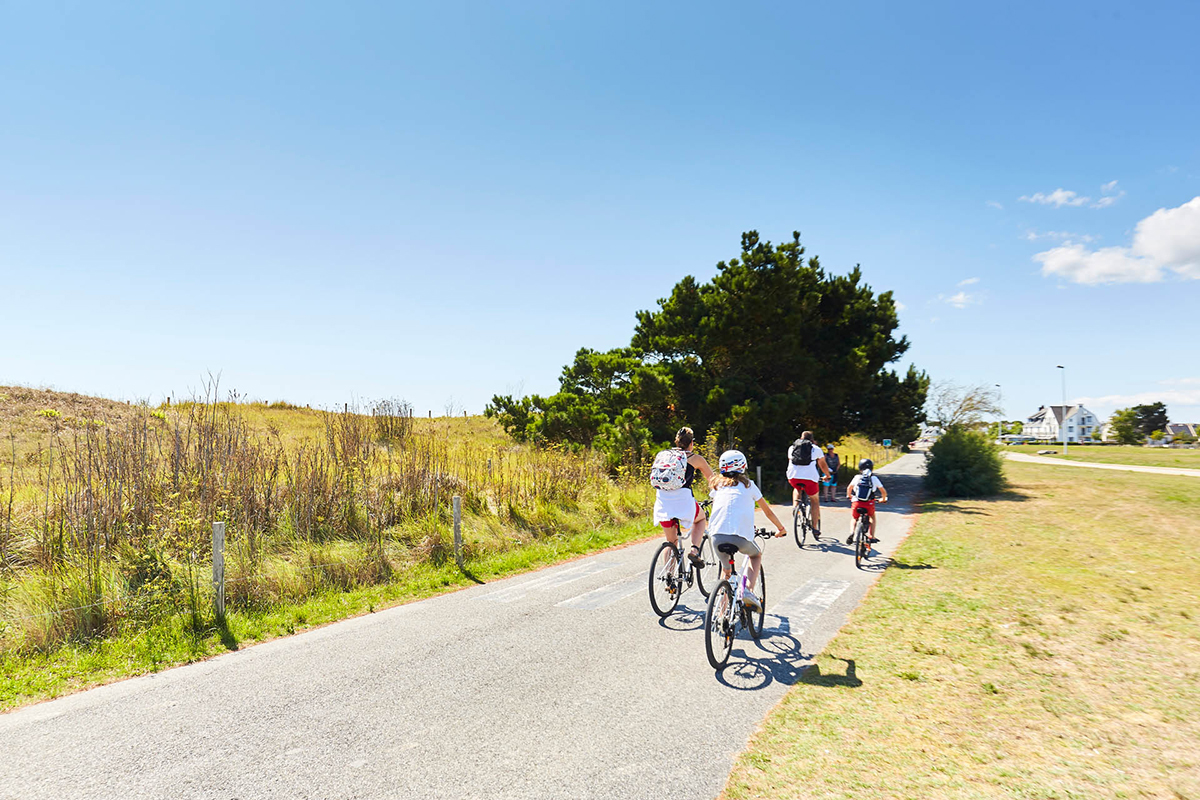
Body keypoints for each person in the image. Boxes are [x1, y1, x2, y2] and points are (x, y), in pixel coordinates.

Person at [706, 449, 787, 612]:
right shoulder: (749, 485)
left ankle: (721, 614)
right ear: (743, 466)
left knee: (726, 572)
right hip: (740, 538)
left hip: (715, 537)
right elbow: (768, 511)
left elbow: (725, 508)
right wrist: (781, 528)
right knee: (755, 555)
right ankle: (748, 591)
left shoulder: (717, 486)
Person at [652, 427, 715, 569]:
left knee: (671, 541)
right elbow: (713, 480)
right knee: (700, 519)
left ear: (676, 441)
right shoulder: (696, 459)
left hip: (662, 503)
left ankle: (669, 579)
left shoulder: (664, 456)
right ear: (691, 443)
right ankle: (694, 550)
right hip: (684, 503)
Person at [786, 431, 831, 539]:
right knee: (814, 500)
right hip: (810, 478)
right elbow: (822, 464)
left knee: (797, 488)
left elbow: (790, 462)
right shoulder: (816, 449)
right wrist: (827, 475)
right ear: (812, 439)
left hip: (793, 476)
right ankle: (815, 528)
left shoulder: (791, 448)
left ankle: (795, 507)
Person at [845, 458, 889, 544]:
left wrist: (850, 496)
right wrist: (883, 499)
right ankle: (871, 536)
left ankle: (852, 533)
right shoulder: (874, 478)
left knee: (854, 518)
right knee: (872, 517)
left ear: (860, 468)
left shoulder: (857, 477)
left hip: (857, 502)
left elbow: (849, 488)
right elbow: (883, 492)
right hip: (869, 503)